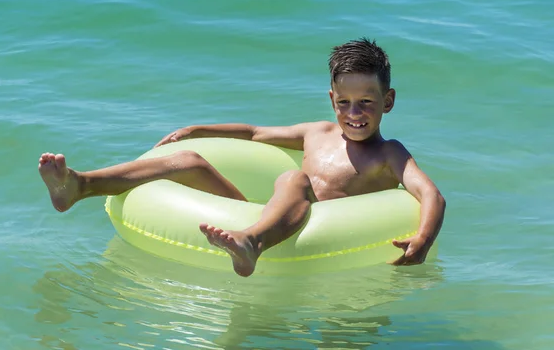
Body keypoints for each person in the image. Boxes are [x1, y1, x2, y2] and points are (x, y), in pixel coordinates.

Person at [38, 38, 446, 277]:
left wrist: (423, 238)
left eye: (366, 103)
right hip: (272, 218)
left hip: (311, 235)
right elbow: (253, 133)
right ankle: (80, 185)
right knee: (188, 161)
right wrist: (199, 130)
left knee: (293, 181)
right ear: (331, 99)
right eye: (345, 102)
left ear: (388, 101)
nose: (354, 114)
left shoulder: (389, 154)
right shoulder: (316, 133)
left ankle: (252, 243)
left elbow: (431, 194)